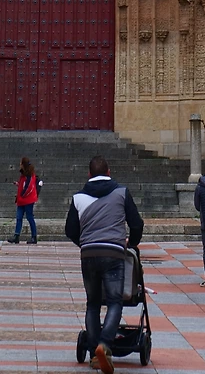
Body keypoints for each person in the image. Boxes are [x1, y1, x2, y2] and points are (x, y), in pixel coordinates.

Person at [65, 153, 144, 374]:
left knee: (92, 303)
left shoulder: (78, 197)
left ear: (89, 174)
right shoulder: (121, 193)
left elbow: (70, 230)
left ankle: (94, 354)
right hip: (114, 253)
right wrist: (131, 244)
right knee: (114, 301)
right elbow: (136, 224)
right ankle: (105, 344)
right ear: (109, 172)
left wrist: (84, 243)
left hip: (89, 254)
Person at [11, 155, 40, 244]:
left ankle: (34, 236)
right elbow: (25, 185)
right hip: (22, 201)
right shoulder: (24, 175)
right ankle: (16, 236)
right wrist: (18, 184)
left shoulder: (29, 176)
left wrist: (22, 195)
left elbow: (28, 188)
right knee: (19, 217)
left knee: (29, 217)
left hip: (27, 200)